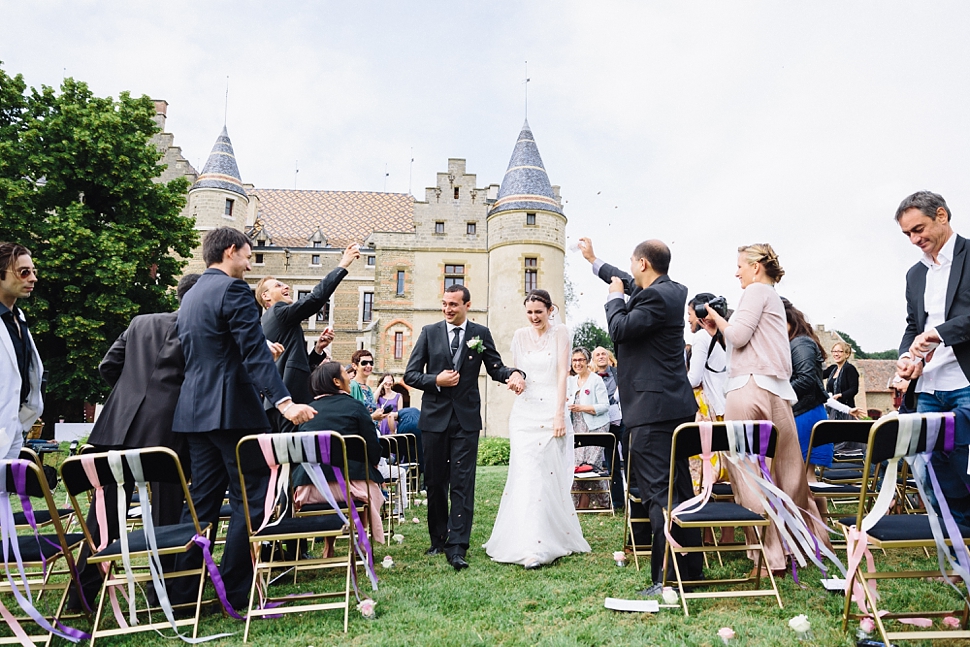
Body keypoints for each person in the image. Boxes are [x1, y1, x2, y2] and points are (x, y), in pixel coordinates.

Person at [169, 227, 316, 611]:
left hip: (194, 412)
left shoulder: (192, 295)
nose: (250, 265)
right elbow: (253, 353)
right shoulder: (233, 290)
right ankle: (235, 593)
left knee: (200, 505)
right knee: (251, 501)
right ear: (231, 251)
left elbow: (214, 349)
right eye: (248, 256)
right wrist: (285, 403)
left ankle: (182, 595)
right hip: (233, 412)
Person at [579, 236, 702, 596]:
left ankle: (665, 578)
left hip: (651, 411)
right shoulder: (671, 291)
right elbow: (626, 280)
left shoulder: (652, 298)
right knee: (681, 489)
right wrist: (595, 261)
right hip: (673, 407)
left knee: (658, 494)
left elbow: (619, 328)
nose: (630, 270)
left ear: (643, 264)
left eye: (633, 263)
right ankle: (689, 570)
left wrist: (613, 298)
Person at [699, 243, 831, 577]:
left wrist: (717, 318)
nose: (737, 273)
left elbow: (739, 337)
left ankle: (767, 558)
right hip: (777, 393)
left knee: (750, 474)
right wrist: (720, 333)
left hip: (748, 391)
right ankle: (803, 544)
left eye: (740, 266)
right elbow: (749, 344)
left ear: (756, 266)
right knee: (788, 473)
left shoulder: (755, 291)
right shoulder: (773, 298)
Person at [69, 273, 200, 608]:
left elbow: (108, 366)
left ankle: (80, 596)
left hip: (119, 425)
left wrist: (130, 394)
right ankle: (162, 594)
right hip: (167, 431)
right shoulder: (199, 330)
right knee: (167, 514)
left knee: (104, 516)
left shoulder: (140, 322)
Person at [404, 284, 525, 571]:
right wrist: (436, 380)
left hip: (466, 420)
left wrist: (514, 373)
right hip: (434, 420)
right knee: (435, 482)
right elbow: (410, 375)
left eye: (453, 305)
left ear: (467, 305)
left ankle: (458, 546)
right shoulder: (429, 333)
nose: (447, 309)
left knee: (462, 482)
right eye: (445, 304)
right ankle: (438, 539)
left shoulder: (480, 334)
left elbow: (495, 368)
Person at [483, 290, 591, 568]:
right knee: (525, 474)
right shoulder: (519, 336)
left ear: (550, 310)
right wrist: (515, 380)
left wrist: (559, 414)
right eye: (529, 312)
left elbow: (562, 374)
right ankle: (523, 541)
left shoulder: (561, 333)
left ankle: (542, 544)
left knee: (544, 474)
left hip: (550, 410)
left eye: (538, 312)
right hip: (524, 414)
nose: (534, 317)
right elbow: (520, 372)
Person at [894, 190, 970, 520]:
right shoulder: (915, 274)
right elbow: (914, 326)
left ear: (941, 215)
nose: (914, 239)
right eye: (907, 234)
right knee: (931, 473)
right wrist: (905, 358)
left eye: (918, 229)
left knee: (963, 469)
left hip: (965, 383)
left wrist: (940, 333)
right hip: (927, 388)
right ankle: (954, 544)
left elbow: (934, 330)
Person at [256, 242, 359, 433]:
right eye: (278, 285)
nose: (286, 286)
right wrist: (343, 264)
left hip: (277, 403)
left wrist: (318, 350)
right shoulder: (278, 311)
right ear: (266, 296)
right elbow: (315, 299)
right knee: (298, 450)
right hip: (291, 401)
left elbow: (293, 363)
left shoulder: (269, 322)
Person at [294, 362, 386, 544]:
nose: (350, 378)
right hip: (351, 488)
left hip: (309, 488)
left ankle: (329, 545)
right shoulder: (356, 407)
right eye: (346, 374)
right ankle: (361, 541)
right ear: (337, 382)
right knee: (368, 486)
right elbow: (372, 447)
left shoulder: (307, 411)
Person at [0, 242, 42, 460]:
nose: (33, 278)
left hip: (13, 427)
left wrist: (21, 420)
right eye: (24, 272)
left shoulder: (18, 318)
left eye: (33, 271)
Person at [567, 347, 612, 510]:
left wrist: (582, 408)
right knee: (578, 465)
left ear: (587, 362)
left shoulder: (596, 380)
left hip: (596, 428)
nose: (577, 363)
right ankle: (579, 503)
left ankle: (604, 503)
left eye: (581, 360)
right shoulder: (571, 381)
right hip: (577, 428)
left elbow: (604, 406)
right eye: (574, 360)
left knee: (592, 466)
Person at [591, 346, 625, 509]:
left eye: (603, 353)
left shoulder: (619, 373)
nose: (601, 356)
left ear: (609, 357)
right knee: (612, 463)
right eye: (597, 355)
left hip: (622, 420)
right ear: (594, 360)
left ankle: (634, 498)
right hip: (604, 423)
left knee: (630, 459)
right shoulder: (591, 378)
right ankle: (617, 502)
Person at [822, 341, 859, 420]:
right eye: (834, 351)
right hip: (832, 410)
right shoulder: (832, 369)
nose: (836, 354)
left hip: (847, 410)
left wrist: (840, 395)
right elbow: (818, 375)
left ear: (847, 354)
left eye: (839, 351)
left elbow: (854, 389)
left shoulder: (850, 369)